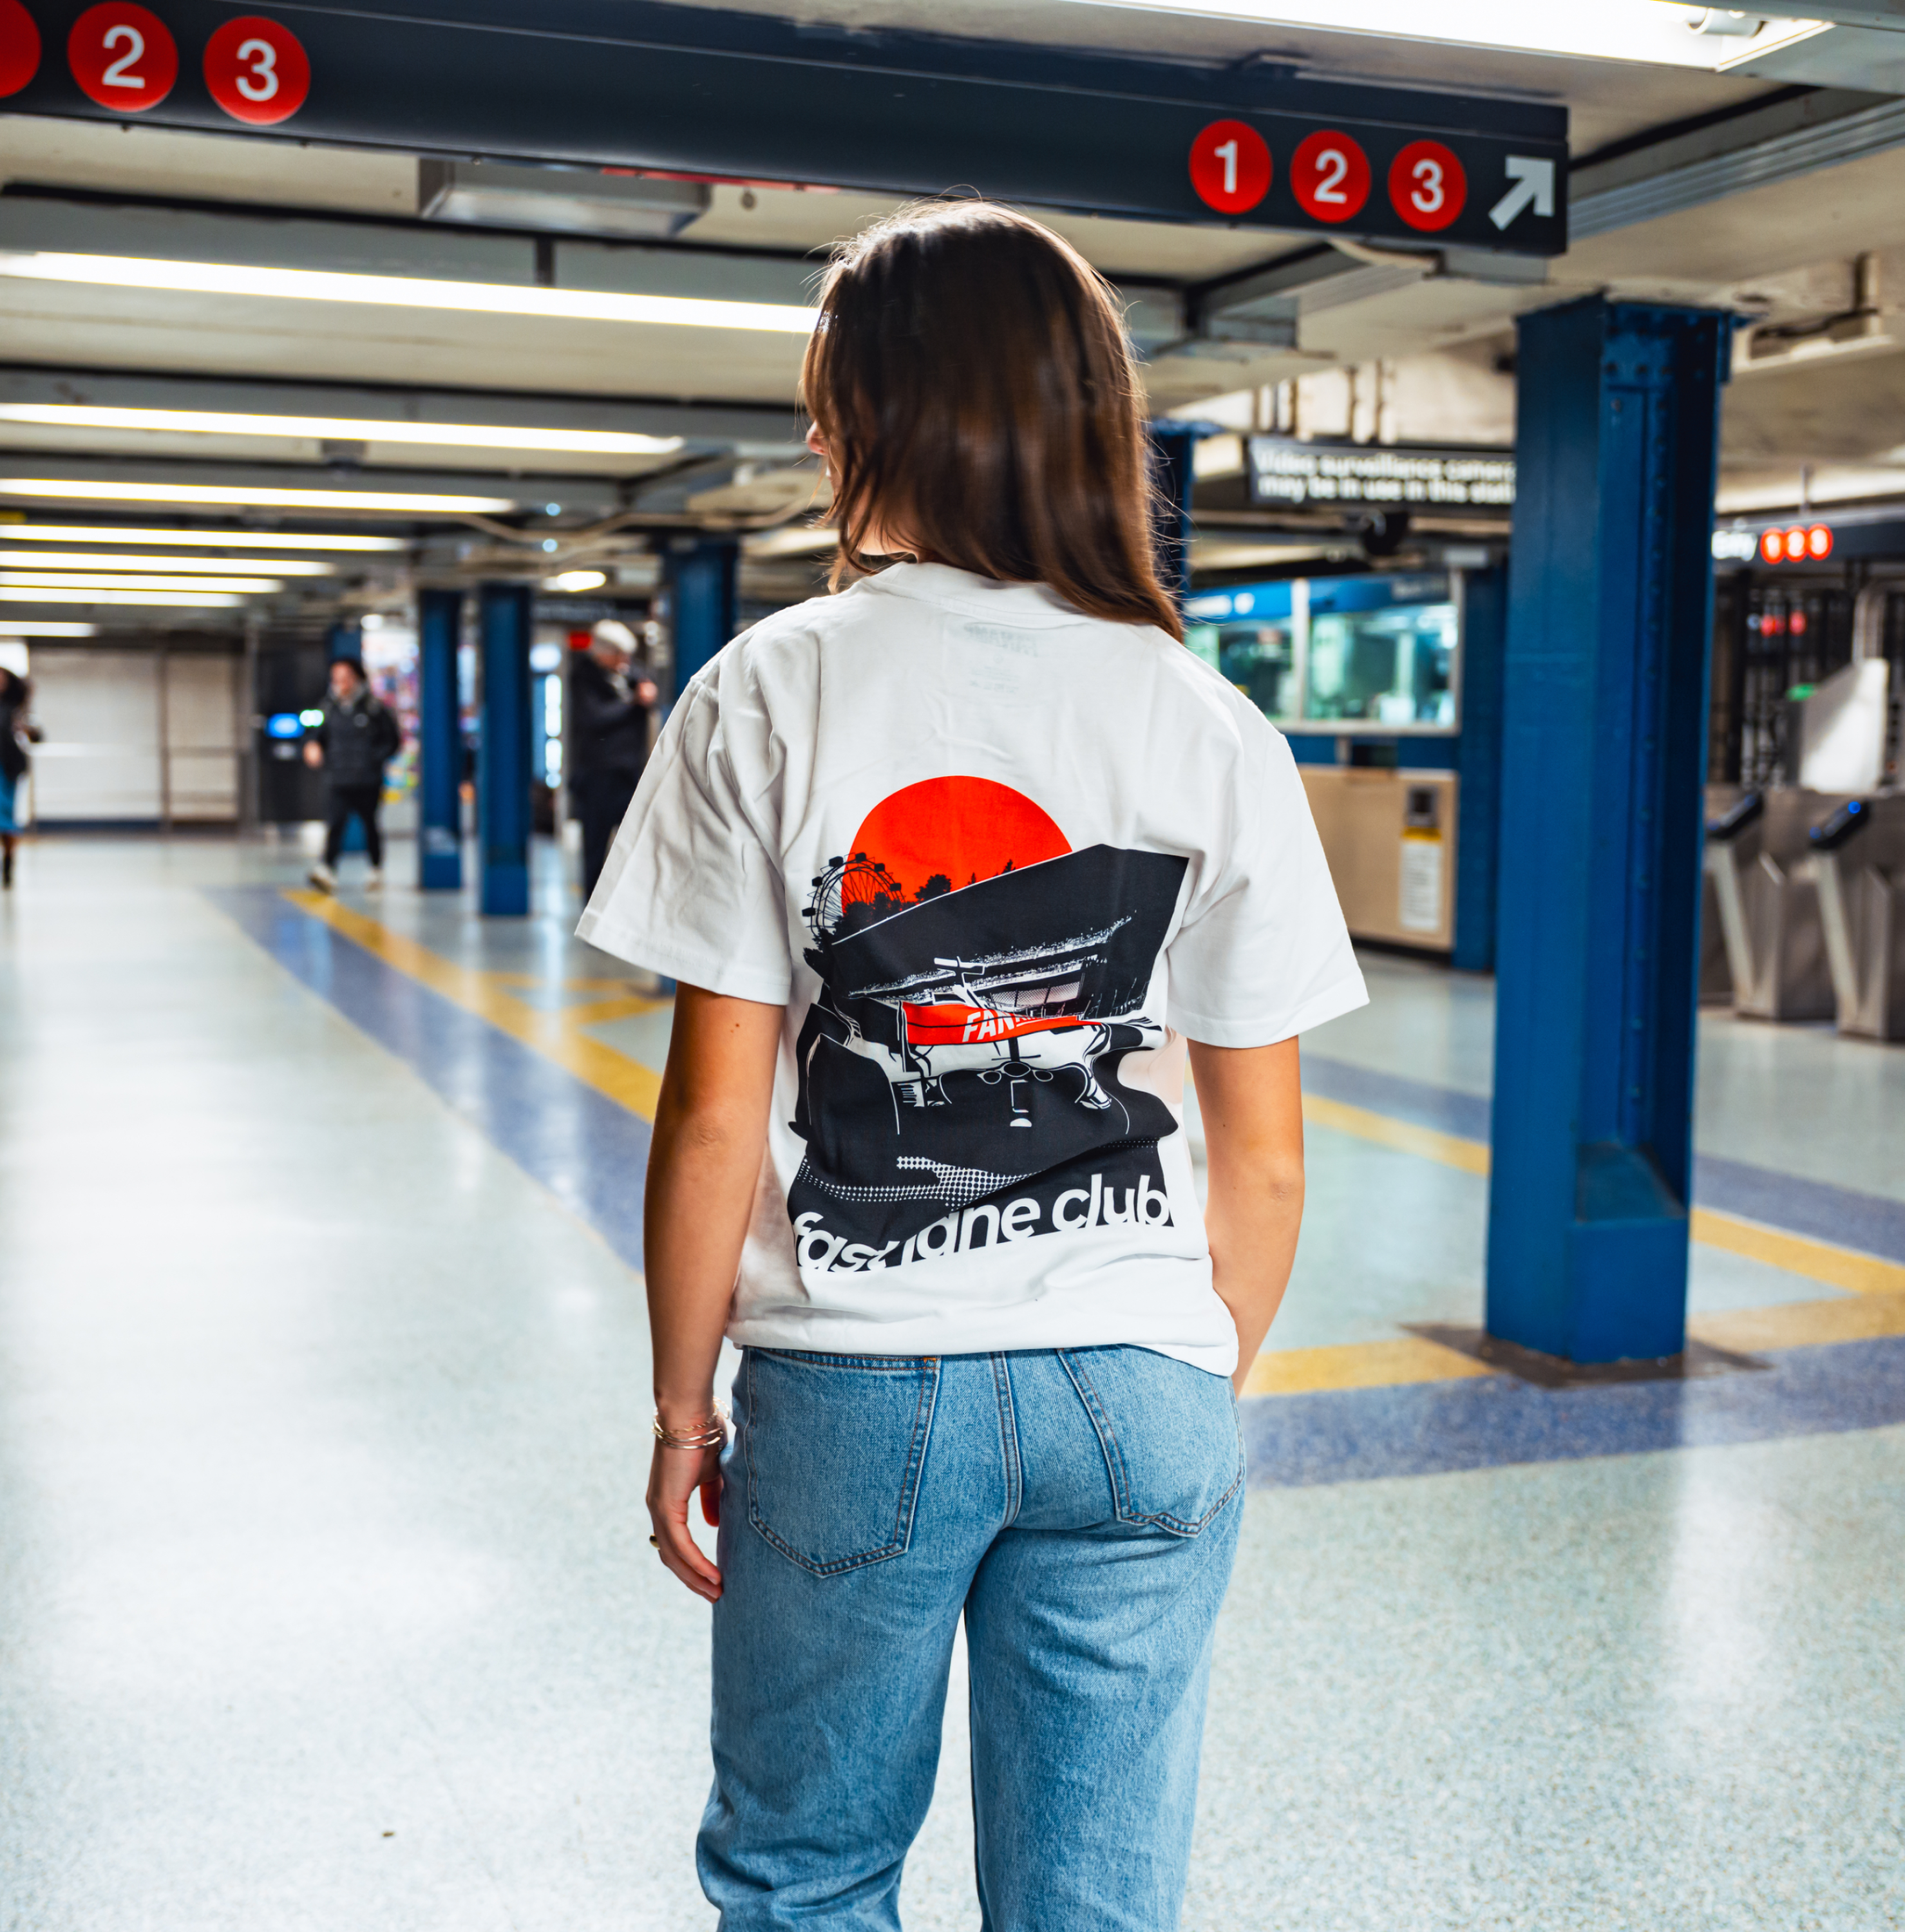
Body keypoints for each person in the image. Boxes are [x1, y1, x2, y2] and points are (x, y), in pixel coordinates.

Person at [578, 201, 1367, 1930]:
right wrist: (1172, 1369)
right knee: (1096, 1904)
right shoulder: (1208, 718)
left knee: (808, 1876)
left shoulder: (764, 694)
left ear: (876, 418)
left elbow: (716, 1113)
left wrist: (676, 1407)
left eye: (826, 398)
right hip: (1147, 1378)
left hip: (859, 1383)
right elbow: (1271, 1158)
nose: (811, 433)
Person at [569, 620, 658, 903]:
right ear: (601, 652)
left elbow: (647, 692)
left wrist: (643, 694)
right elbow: (594, 718)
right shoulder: (583, 677)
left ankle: (629, 904)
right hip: (597, 777)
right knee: (595, 846)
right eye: (618, 655)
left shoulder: (630, 674)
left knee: (637, 844)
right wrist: (633, 703)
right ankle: (593, 905)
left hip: (629, 775)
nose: (624, 662)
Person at [303, 658, 400, 893]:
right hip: (339, 778)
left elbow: (393, 741)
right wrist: (312, 746)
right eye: (336, 679)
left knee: (370, 825)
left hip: (368, 780)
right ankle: (327, 870)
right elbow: (315, 736)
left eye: (345, 678)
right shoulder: (328, 708)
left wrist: (373, 759)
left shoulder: (374, 709)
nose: (341, 684)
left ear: (357, 678)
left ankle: (376, 869)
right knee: (335, 824)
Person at [0, 663, 39, 891]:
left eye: (1, 678)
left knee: (6, 817)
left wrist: (24, 728)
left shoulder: (15, 709)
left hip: (9, 768)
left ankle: (9, 865)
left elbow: (38, 734)